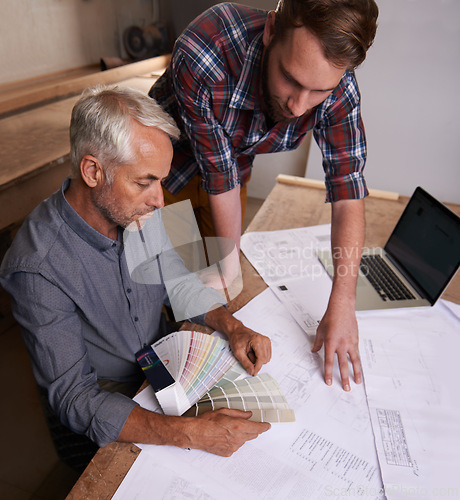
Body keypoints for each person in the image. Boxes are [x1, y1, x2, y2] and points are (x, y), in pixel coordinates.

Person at [0, 85, 271, 471]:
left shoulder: (133, 209)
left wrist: (233, 325)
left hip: (160, 366)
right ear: (92, 171)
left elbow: (174, 279)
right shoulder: (36, 268)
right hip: (104, 399)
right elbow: (76, 397)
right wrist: (190, 432)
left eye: (160, 180)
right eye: (145, 182)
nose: (160, 200)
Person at [149, 0, 379, 392]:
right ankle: (154, 386)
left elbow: (348, 194)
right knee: (168, 291)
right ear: (271, 31)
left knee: (221, 284)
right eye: (290, 78)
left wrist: (343, 301)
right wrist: (226, 267)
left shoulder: (340, 88)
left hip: (232, 170)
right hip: (166, 173)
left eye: (318, 91)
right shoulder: (207, 50)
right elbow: (217, 176)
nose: (298, 105)